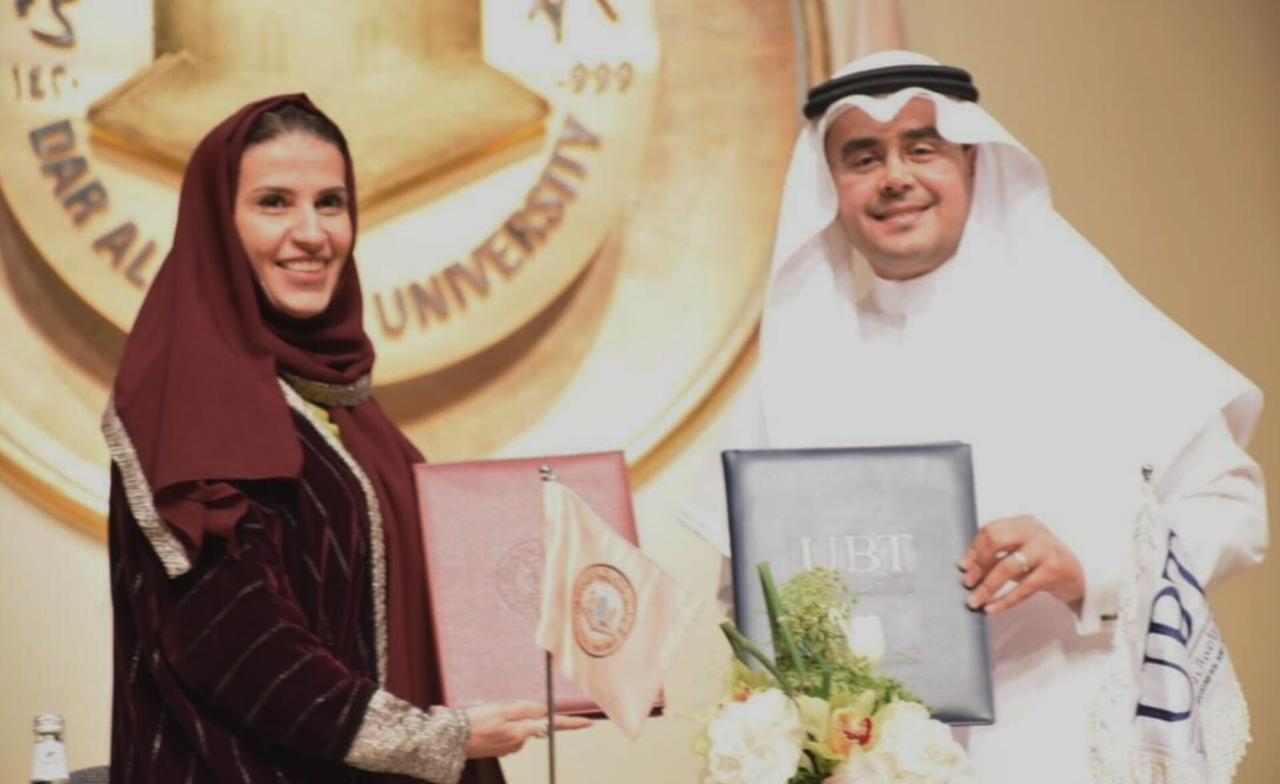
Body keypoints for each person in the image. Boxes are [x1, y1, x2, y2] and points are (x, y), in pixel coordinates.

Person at [686, 50, 1268, 782]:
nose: (894, 177)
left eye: (921, 148)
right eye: (863, 158)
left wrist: (1088, 567)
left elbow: (1232, 510)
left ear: (971, 162)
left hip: (1064, 742)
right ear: (829, 186)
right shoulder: (797, 373)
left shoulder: (1089, 325)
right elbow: (747, 595)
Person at [101, 95, 589, 783]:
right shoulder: (186, 399)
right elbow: (236, 645)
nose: (312, 233)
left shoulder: (347, 408)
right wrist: (433, 739)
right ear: (217, 224)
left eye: (331, 203)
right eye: (274, 203)